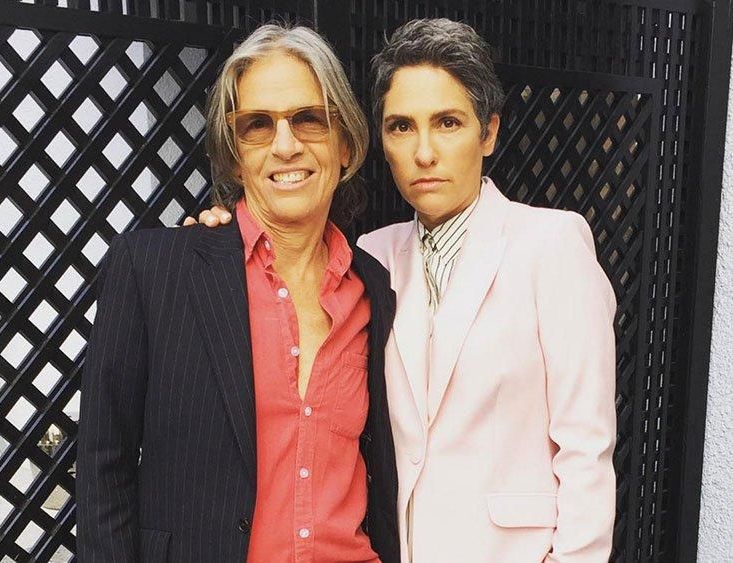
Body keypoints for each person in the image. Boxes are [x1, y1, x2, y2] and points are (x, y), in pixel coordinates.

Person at [189, 18, 617, 563]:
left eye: (447, 123)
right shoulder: (371, 257)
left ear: (488, 133)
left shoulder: (550, 244)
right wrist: (219, 239)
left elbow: (586, 448)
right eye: (401, 127)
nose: (424, 152)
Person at [77, 24, 400, 563]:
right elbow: (102, 470)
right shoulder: (154, 270)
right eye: (257, 125)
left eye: (309, 118)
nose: (285, 145)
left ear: (345, 143)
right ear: (233, 156)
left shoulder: (376, 287)